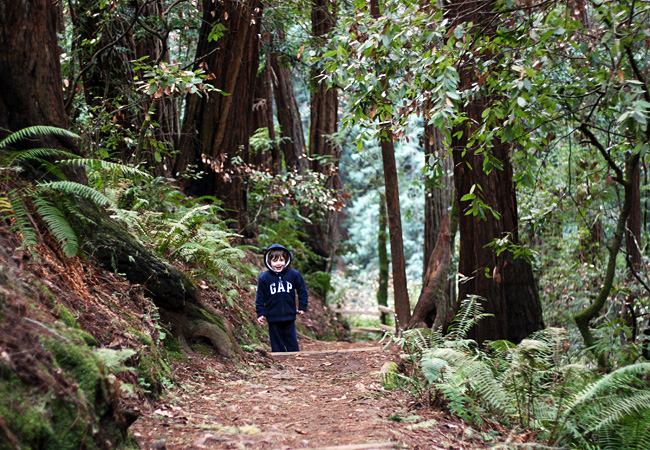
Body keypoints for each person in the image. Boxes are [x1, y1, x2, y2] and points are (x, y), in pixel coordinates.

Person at [255, 243, 308, 352]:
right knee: (276, 341)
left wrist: (302, 306)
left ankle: (295, 359)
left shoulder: (293, 275)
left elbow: (302, 290)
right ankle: (279, 361)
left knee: (291, 340)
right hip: (272, 316)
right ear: (269, 262)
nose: (278, 263)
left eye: (281, 260)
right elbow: (260, 296)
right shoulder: (264, 278)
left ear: (286, 260)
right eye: (274, 261)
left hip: (289, 315)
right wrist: (260, 312)